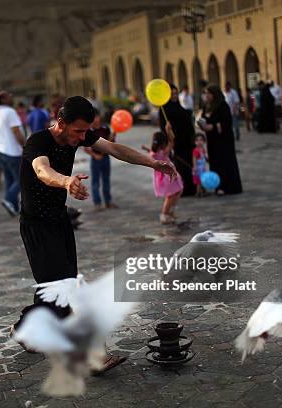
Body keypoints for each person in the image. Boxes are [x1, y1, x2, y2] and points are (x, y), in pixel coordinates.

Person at [13, 96, 176, 370]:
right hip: (37, 227)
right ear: (61, 123)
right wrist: (66, 181)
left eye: (84, 132)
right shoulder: (38, 142)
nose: (81, 138)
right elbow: (42, 171)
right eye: (77, 131)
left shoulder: (80, 135)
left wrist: (153, 163)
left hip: (60, 222)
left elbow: (114, 149)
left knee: (54, 291)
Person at [198, 85, 242, 195]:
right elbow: (203, 119)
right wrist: (201, 124)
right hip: (212, 139)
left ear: (215, 94)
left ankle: (227, 187)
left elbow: (226, 123)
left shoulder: (223, 106)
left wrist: (213, 126)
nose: (206, 95)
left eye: (209, 93)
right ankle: (218, 186)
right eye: (205, 93)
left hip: (223, 141)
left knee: (224, 162)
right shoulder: (206, 106)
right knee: (215, 162)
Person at [158, 84, 196, 197]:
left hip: (186, 142)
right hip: (175, 143)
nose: (174, 96)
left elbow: (187, 122)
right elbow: (163, 128)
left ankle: (191, 188)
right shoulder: (164, 110)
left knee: (188, 165)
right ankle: (180, 189)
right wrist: (167, 131)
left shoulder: (180, 107)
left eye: (176, 93)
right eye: (172, 94)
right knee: (179, 167)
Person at [0, 91, 25, 216]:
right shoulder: (10, 112)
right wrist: (25, 146)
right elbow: (16, 131)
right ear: (4, 100)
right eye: (9, 96)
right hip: (12, 152)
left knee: (10, 180)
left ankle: (13, 207)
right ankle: (8, 199)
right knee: (22, 180)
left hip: (0, 151)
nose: (12, 97)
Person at [142, 131, 183, 224]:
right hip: (166, 176)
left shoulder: (155, 152)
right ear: (163, 143)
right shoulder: (163, 152)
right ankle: (164, 214)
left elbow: (153, 152)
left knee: (178, 191)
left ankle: (170, 212)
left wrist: (146, 149)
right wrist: (168, 131)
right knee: (171, 195)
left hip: (168, 175)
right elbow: (172, 143)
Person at [84, 109, 116, 210]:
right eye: (93, 118)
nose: (95, 120)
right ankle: (97, 203)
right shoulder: (89, 131)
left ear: (99, 117)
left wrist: (113, 136)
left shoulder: (105, 128)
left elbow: (110, 142)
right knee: (95, 182)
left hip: (106, 158)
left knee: (106, 180)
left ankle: (108, 201)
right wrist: (95, 155)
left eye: (96, 117)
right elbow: (86, 148)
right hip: (95, 159)